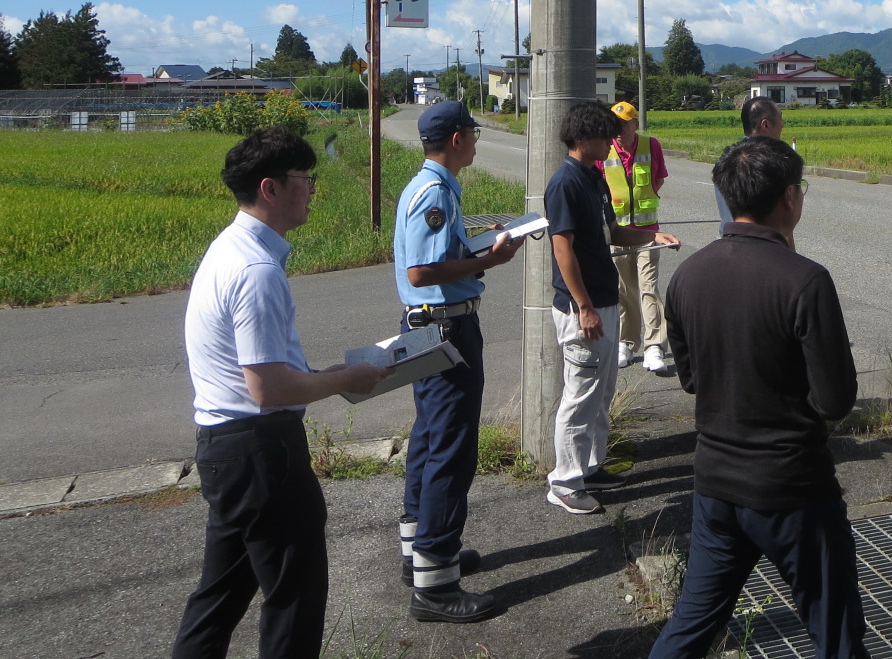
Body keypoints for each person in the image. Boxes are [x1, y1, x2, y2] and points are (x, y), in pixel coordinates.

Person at [172, 127, 390, 659]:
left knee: (219, 597)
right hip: (261, 450)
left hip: (229, 450)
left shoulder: (232, 248)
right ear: (270, 188)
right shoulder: (256, 270)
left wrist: (325, 372)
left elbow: (267, 372)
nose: (313, 188)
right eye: (305, 178)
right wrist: (346, 379)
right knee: (295, 597)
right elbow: (267, 388)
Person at [649, 134, 866, 659]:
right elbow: (835, 400)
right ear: (789, 197)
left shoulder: (688, 276)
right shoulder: (805, 280)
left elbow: (693, 379)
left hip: (715, 482)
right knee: (834, 631)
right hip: (793, 485)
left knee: (693, 624)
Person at [394, 101, 526, 623]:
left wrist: (471, 247)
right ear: (454, 138)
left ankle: (421, 551)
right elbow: (423, 270)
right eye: (472, 131)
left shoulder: (427, 186)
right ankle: (435, 585)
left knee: (429, 437)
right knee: (451, 448)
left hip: (430, 326)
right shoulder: (434, 192)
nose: (476, 138)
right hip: (446, 327)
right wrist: (488, 258)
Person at [544, 102, 681, 514]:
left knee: (601, 391)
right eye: (606, 136)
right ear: (584, 138)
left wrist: (653, 237)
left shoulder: (593, 178)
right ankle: (564, 482)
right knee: (580, 393)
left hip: (603, 302)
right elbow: (562, 247)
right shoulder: (565, 183)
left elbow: (614, 231)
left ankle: (590, 466)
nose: (612, 143)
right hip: (580, 309)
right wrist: (583, 305)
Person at [600, 101, 671, 373]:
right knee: (624, 290)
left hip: (648, 230)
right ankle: (626, 343)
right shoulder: (604, 148)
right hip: (616, 231)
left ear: (635, 124)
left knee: (648, 287)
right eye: (616, 125)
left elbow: (658, 179)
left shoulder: (650, 145)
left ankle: (654, 345)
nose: (619, 130)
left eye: (625, 124)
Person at [714, 96, 783, 229]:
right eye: (780, 117)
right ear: (765, 124)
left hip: (729, 240)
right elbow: (782, 223)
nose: (782, 124)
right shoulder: (770, 163)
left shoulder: (726, 159)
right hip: (762, 244)